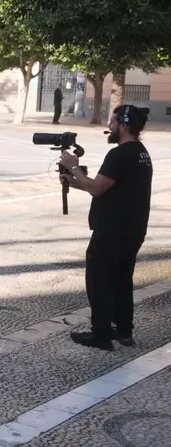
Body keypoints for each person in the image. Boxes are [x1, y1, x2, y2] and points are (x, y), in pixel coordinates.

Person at [60, 104, 152, 350]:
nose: (109, 126)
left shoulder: (119, 154)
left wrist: (73, 166)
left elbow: (96, 188)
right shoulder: (140, 152)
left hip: (112, 230)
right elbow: (108, 186)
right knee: (122, 281)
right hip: (133, 229)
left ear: (124, 126)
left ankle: (101, 334)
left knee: (99, 281)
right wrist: (75, 181)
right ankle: (124, 331)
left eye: (112, 122)